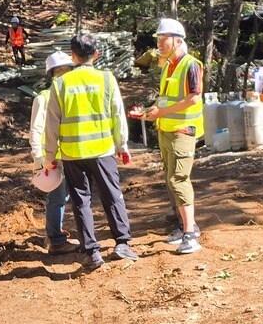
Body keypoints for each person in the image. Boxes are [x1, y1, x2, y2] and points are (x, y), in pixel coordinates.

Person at [44, 33, 136, 269]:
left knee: (81, 201)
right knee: (112, 196)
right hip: (102, 150)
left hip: (73, 153)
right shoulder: (106, 79)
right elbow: (117, 113)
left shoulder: (61, 83)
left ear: (72, 56)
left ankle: (92, 251)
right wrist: (121, 145)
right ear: (96, 54)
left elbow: (52, 123)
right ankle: (122, 243)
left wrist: (49, 156)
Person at [136, 18, 205, 256]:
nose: (159, 44)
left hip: (182, 132)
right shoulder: (169, 66)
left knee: (178, 180)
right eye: (158, 39)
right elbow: (165, 99)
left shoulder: (191, 64)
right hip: (166, 131)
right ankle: (183, 225)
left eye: (162, 39)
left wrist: (161, 112)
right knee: (170, 179)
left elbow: (195, 98)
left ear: (177, 40)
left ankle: (190, 235)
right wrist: (149, 113)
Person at [30, 51, 75, 254]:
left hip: (70, 153)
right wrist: (39, 158)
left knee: (66, 196)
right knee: (57, 196)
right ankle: (55, 239)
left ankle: (57, 232)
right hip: (53, 157)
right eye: (62, 71)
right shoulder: (44, 98)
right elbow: (36, 129)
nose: (65, 75)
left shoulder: (71, 95)